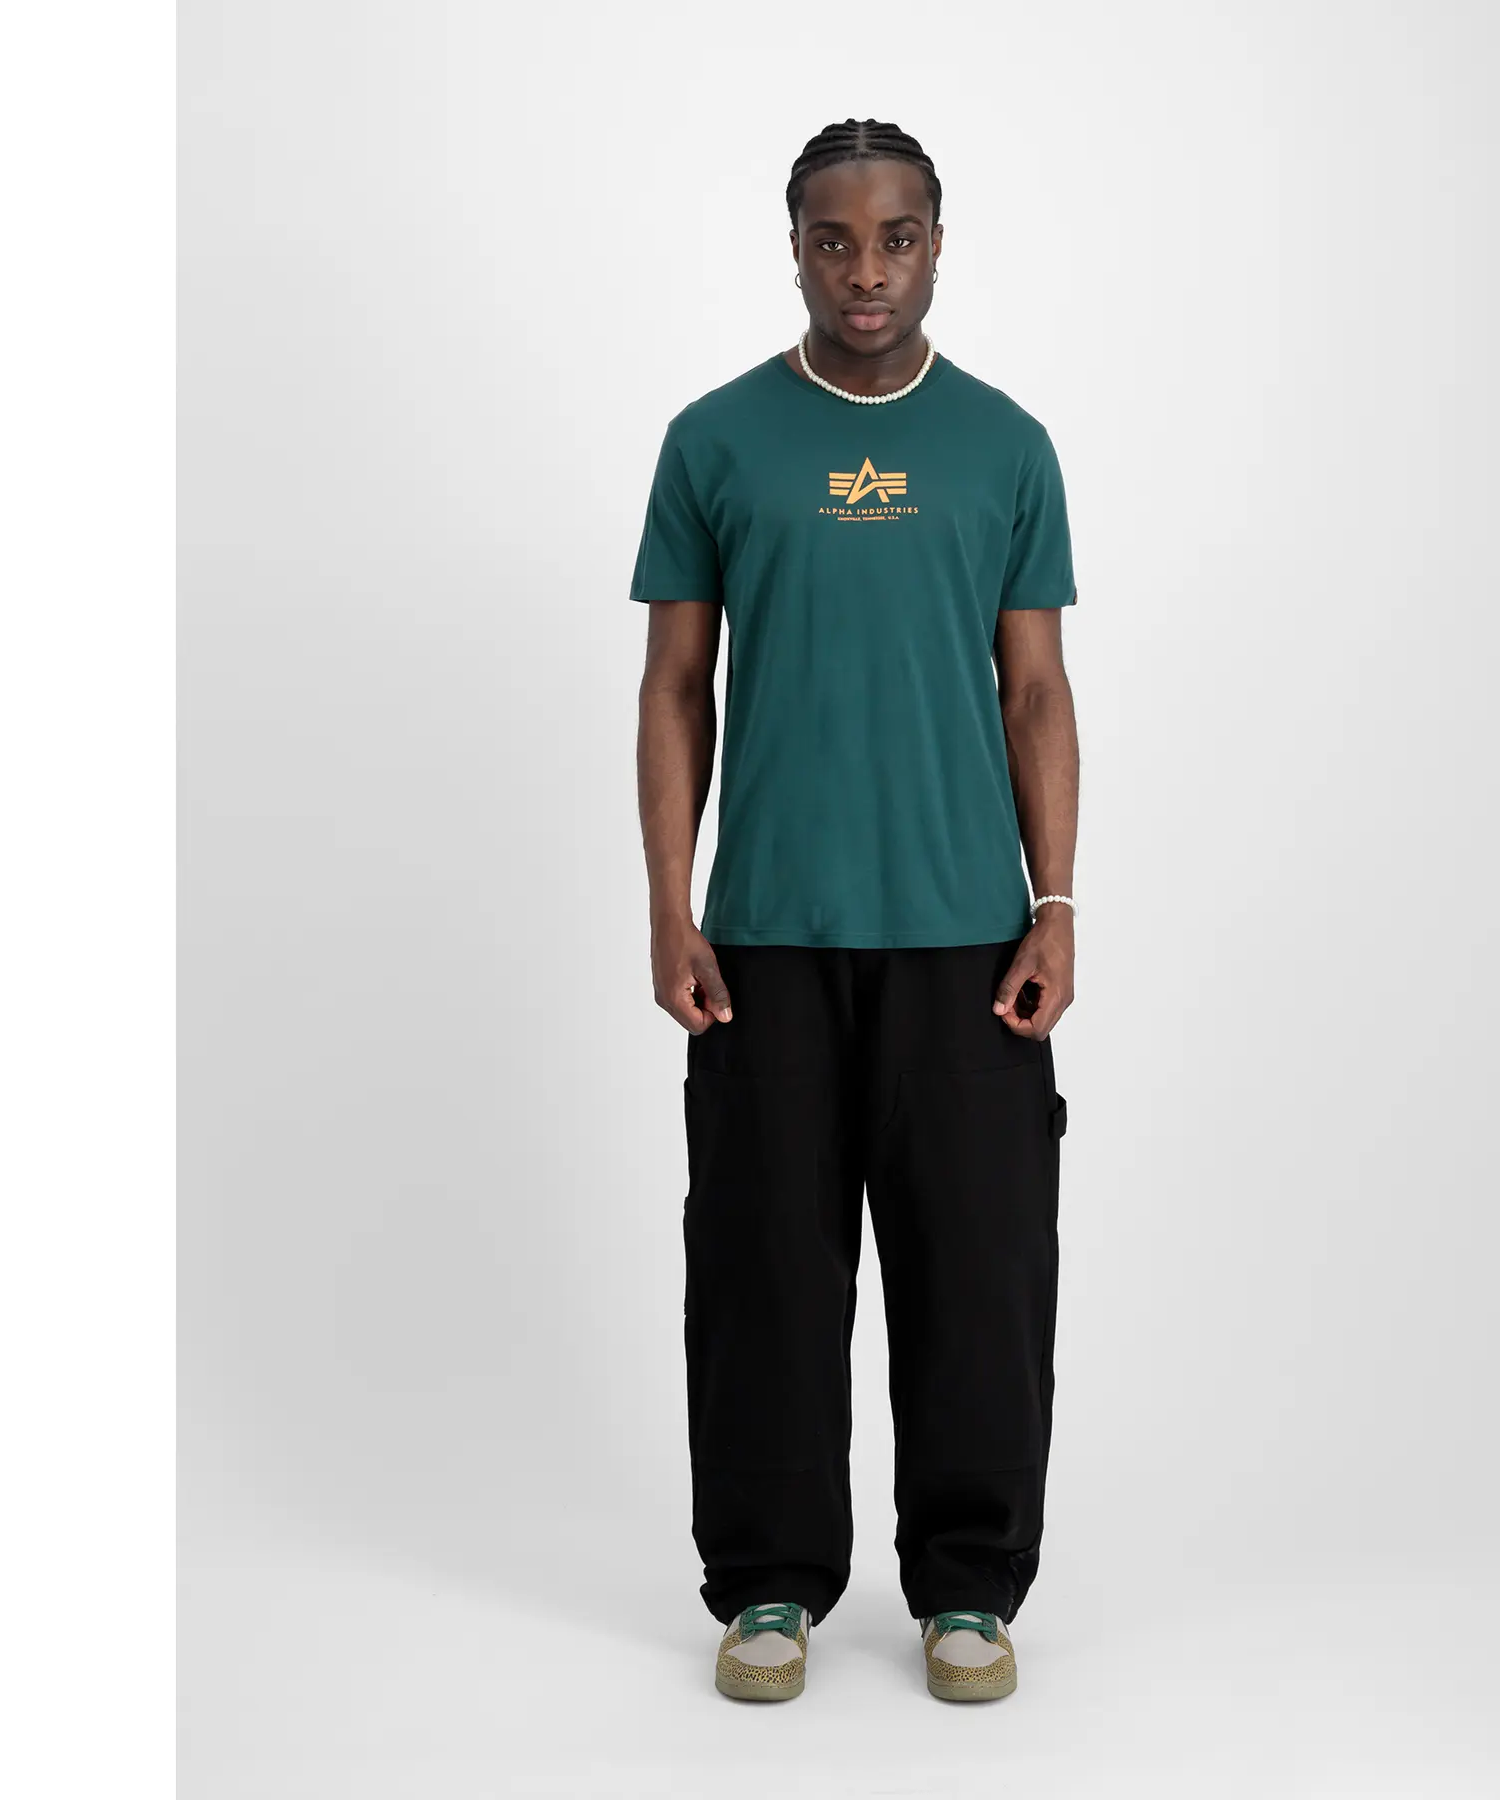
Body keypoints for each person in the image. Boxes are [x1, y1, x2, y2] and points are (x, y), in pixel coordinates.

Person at [630, 118, 1079, 1704]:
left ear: (937, 244)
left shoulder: (1006, 445)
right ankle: (767, 1584)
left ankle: (968, 1589)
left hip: (969, 943)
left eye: (896, 238)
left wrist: (1056, 904)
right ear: (797, 249)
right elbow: (674, 687)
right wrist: (670, 905)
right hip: (767, 941)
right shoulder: (715, 440)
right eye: (836, 240)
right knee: (763, 1272)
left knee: (981, 1277)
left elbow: (1037, 691)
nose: (866, 270)